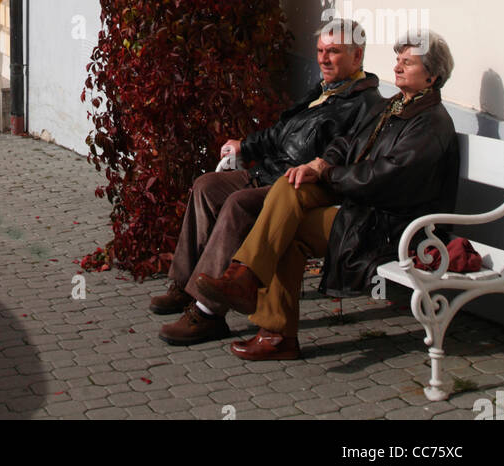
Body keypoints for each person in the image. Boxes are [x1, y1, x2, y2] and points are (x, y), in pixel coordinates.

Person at [195, 31, 458, 361]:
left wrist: (330, 175)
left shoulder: (430, 124)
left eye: (408, 62)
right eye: (398, 60)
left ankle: (272, 327)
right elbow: (347, 142)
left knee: (289, 231)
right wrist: (319, 163)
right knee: (291, 184)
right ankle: (246, 282)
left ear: (432, 76)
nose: (398, 67)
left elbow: (387, 177)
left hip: (393, 225)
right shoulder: (394, 106)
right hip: (363, 206)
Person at [153, 18, 384, 345]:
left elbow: (344, 154)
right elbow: (280, 133)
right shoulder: (323, 90)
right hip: (266, 171)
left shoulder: (366, 104)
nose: (323, 59)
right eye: (320, 51)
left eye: (333, 52)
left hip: (292, 185)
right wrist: (245, 145)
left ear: (357, 57)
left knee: (237, 204)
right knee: (206, 186)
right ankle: (185, 285)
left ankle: (207, 313)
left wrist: (316, 167)